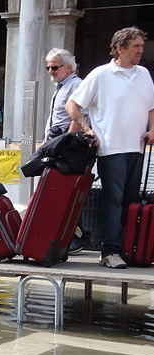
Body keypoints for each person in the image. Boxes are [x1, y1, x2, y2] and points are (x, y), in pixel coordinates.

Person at [66, 26, 154, 269]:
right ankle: (109, 250)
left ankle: (128, 248)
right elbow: (72, 105)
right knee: (113, 200)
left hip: (136, 147)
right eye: (135, 46)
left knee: (130, 200)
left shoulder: (144, 74)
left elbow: (151, 108)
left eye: (141, 47)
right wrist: (86, 128)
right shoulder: (101, 74)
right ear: (120, 48)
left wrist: (152, 129)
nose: (140, 51)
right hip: (111, 147)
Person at [45, 48, 89, 253]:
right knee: (59, 192)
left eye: (54, 67)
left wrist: (66, 143)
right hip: (59, 145)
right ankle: (68, 235)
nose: (50, 71)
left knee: (66, 193)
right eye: (48, 67)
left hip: (68, 147)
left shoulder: (76, 85)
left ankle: (76, 235)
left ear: (68, 67)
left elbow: (78, 116)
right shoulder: (62, 86)